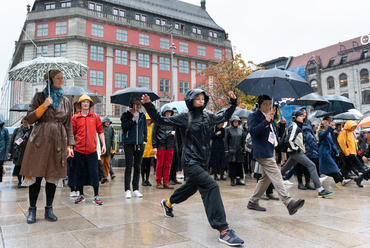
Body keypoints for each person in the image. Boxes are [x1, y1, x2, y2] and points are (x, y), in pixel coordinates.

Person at [142, 89, 244, 246]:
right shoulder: (184, 117)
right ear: (190, 100)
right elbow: (160, 120)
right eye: (198, 98)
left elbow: (224, 117)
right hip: (190, 162)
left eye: (203, 98)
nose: (201, 100)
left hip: (203, 162)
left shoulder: (207, 116)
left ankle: (167, 203)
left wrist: (233, 103)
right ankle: (223, 230)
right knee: (211, 186)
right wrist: (149, 105)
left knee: (190, 188)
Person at [20, 69, 74, 223]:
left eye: (62, 78)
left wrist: (70, 145)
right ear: (50, 81)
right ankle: (32, 210)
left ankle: (49, 209)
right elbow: (29, 118)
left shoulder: (65, 101)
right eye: (58, 78)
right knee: (35, 175)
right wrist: (44, 105)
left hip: (58, 141)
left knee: (53, 175)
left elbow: (69, 125)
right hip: (39, 139)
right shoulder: (39, 96)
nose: (61, 80)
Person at [247, 95, 304, 215]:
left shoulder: (270, 117)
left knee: (265, 178)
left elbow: (274, 135)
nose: (268, 107)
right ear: (259, 105)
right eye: (265, 104)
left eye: (270, 104)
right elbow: (253, 131)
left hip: (270, 151)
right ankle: (289, 203)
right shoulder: (254, 116)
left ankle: (253, 201)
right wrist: (266, 121)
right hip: (261, 152)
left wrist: (281, 124)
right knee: (277, 174)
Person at [280, 110, 334, 198]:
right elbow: (289, 140)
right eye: (300, 116)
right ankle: (320, 190)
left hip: (295, 152)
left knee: (285, 168)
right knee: (311, 165)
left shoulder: (297, 126)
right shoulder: (294, 126)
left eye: (303, 115)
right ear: (295, 117)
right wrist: (296, 149)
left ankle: (269, 180)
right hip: (296, 152)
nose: (303, 117)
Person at [70, 94, 106, 205]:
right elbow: (72, 134)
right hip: (79, 150)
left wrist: (103, 145)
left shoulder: (95, 117)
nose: (86, 104)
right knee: (79, 173)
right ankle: (81, 194)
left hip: (92, 150)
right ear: (80, 104)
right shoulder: (75, 117)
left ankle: (96, 195)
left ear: (90, 104)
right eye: (83, 102)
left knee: (95, 173)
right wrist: (71, 147)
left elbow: (100, 131)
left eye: (87, 102)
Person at [121, 98, 147, 199]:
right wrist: (132, 119)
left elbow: (144, 129)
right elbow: (124, 127)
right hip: (129, 143)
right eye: (135, 104)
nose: (138, 106)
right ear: (131, 105)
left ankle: (135, 189)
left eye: (139, 104)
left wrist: (144, 140)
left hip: (140, 143)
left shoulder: (143, 116)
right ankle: (127, 189)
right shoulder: (125, 115)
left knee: (138, 167)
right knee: (128, 167)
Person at [317, 120, 351, 186]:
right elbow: (324, 134)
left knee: (331, 167)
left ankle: (339, 180)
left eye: (328, 125)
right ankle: (341, 180)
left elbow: (332, 143)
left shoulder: (328, 133)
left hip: (327, 151)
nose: (327, 127)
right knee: (333, 166)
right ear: (322, 126)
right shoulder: (320, 132)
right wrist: (330, 127)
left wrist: (336, 151)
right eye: (326, 125)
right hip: (323, 152)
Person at [152, 106, 175, 189]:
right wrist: (154, 146)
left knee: (168, 165)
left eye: (169, 114)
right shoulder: (158, 122)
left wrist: (175, 134)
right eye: (167, 114)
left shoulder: (172, 122)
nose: (168, 115)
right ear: (164, 113)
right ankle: (158, 181)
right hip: (160, 146)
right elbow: (153, 134)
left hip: (169, 146)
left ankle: (166, 182)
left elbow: (176, 131)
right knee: (159, 164)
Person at [338, 121, 367, 185]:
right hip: (349, 152)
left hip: (352, 152)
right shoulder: (343, 133)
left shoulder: (351, 133)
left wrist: (356, 150)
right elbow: (342, 143)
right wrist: (347, 152)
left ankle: (347, 178)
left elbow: (354, 143)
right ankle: (364, 174)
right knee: (358, 164)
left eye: (354, 126)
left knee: (347, 166)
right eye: (352, 126)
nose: (353, 127)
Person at [8, 117, 32, 188]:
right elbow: (12, 141)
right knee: (18, 167)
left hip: (27, 152)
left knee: (26, 168)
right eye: (24, 122)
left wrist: (31, 126)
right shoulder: (17, 130)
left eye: (27, 122)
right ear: (22, 123)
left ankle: (24, 182)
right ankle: (19, 181)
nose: (25, 124)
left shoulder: (31, 130)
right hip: (18, 152)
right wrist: (10, 151)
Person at [225, 116, 246, 186]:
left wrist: (244, 150)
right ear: (232, 122)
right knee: (232, 166)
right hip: (231, 150)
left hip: (239, 150)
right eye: (234, 121)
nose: (236, 123)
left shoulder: (241, 130)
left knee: (239, 166)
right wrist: (226, 150)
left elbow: (243, 141)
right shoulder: (228, 129)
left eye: (237, 122)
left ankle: (238, 179)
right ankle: (232, 180)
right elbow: (226, 141)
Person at [100, 116, 115, 182]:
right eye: (106, 122)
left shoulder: (111, 128)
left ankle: (105, 176)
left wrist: (113, 148)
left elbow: (112, 139)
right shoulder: (100, 127)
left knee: (107, 163)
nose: (107, 123)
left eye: (108, 122)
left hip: (108, 149)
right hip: (101, 149)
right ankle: (102, 176)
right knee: (101, 162)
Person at [142, 113, 154, 186]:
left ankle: (147, 179)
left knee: (149, 165)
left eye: (149, 119)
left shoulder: (152, 126)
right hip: (144, 148)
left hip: (150, 148)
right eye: (147, 119)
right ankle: (143, 179)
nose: (148, 120)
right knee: (143, 164)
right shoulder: (143, 126)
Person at [0, 116, 10, 185]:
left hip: (2, 151)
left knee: (0, 166)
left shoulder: (5, 130)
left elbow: (8, 140)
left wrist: (7, 150)